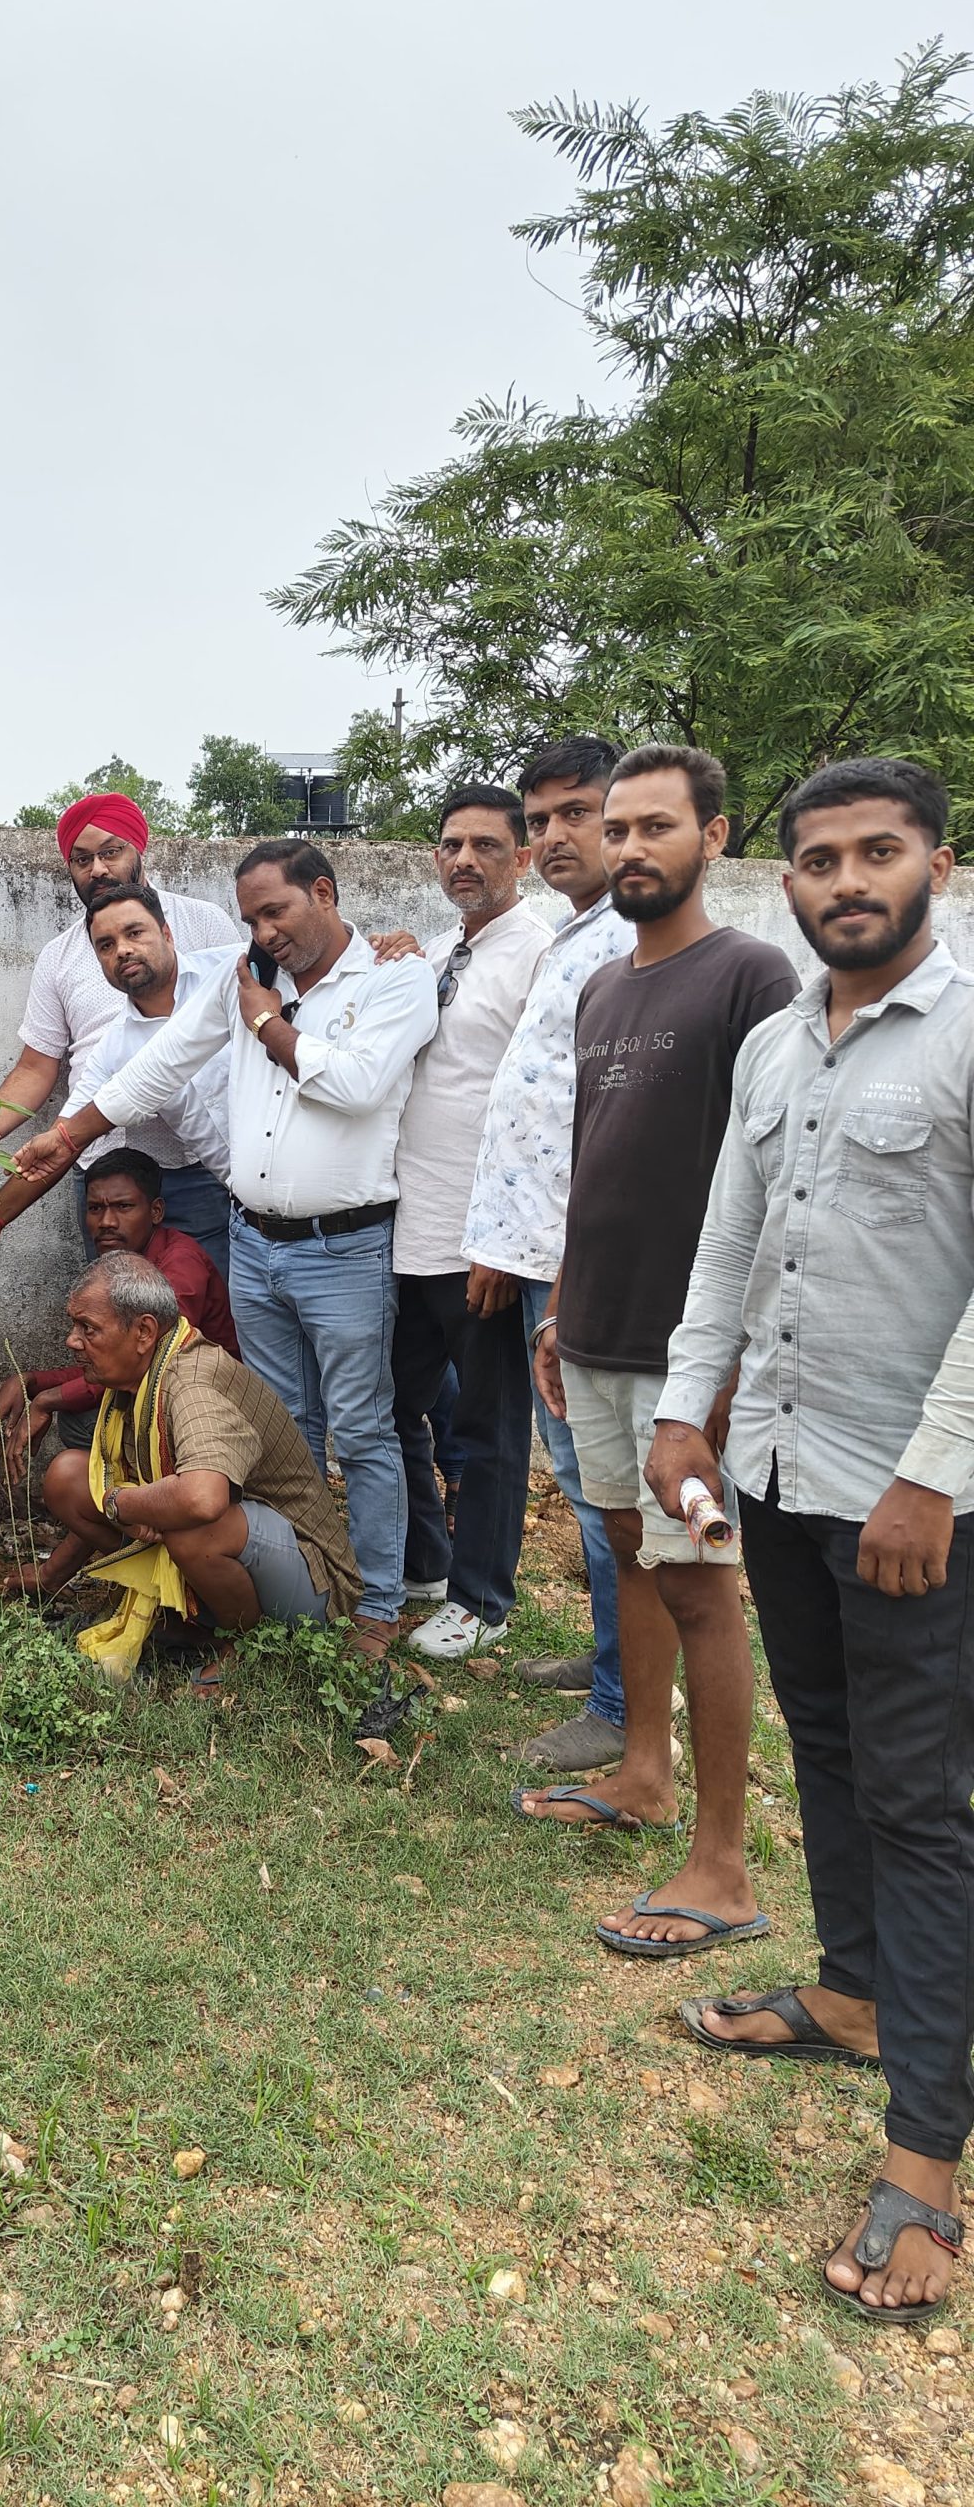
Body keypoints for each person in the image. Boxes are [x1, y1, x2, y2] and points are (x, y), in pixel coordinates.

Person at [648, 756, 971, 2325]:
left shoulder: (967, 1030)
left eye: (878, 852)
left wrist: (934, 1476)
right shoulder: (777, 1043)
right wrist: (683, 1409)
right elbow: (730, 1236)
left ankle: (927, 2162)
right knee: (827, 1745)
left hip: (914, 1497)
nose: (848, 881)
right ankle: (850, 1996)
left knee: (919, 1803)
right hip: (778, 1466)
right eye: (822, 858)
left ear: (936, 864)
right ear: (785, 877)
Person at [14, 841, 437, 1658]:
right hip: (254, 1240)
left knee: (362, 1428)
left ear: (324, 893)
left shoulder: (393, 978)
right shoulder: (246, 975)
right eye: (250, 919)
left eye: (276, 911)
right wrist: (67, 1135)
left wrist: (265, 1022)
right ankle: (297, 1590)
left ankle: (377, 1606)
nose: (263, 932)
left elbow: (357, 1086)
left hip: (344, 1247)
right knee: (281, 1427)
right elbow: (160, 1063)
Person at [523, 745, 798, 1964]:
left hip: (690, 1346)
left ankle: (723, 1861)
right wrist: (560, 1308)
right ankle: (642, 1771)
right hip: (595, 1325)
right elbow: (596, 1163)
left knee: (700, 1578)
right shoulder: (601, 989)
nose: (630, 848)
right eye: (617, 828)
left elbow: (775, 1179)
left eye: (656, 827)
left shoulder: (751, 975)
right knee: (629, 1549)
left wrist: (730, 1356)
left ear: (714, 837)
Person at [460, 736, 634, 1772]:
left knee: (604, 1478)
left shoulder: (631, 941)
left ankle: (622, 1704)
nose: (557, 835)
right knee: (579, 1473)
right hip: (540, 1253)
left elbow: (607, 1127)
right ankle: (614, 1658)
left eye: (579, 813)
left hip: (586, 1263)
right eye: (543, 820)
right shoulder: (580, 933)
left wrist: (563, 1275)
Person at [379, 786, 551, 1662]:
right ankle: (426, 1564)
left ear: (522, 858)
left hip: (481, 1241)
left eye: (486, 845)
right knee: (387, 1406)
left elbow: (545, 1108)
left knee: (487, 1427)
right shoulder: (443, 948)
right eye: (451, 845)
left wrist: (508, 1240)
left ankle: (482, 1602)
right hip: (409, 1229)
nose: (465, 860)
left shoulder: (541, 954)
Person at [19, 1253, 360, 1672]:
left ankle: (243, 1647)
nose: (73, 1341)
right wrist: (60, 1566)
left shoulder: (192, 1383)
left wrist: (120, 1505)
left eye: (87, 1328)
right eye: (75, 1326)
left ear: (144, 1332)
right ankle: (190, 1618)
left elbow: (202, 1499)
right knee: (69, 1477)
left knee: (192, 1528)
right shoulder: (142, 1375)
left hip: (317, 1584)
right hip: (248, 1548)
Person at [0, 793, 238, 1252]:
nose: (97, 869)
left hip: (201, 1167)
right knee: (112, 1294)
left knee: (211, 1291)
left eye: (110, 852)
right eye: (82, 860)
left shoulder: (204, 922)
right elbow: (37, 1066)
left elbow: (251, 1011)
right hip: (101, 1165)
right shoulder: (59, 957)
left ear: (139, 850)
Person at [0, 882, 236, 1283]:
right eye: (106, 945)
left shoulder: (232, 973)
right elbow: (62, 1142)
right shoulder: (116, 1049)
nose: (123, 950)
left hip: (248, 1184)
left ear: (167, 934)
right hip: (242, 1197)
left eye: (135, 933)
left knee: (216, 1302)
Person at [0, 1148, 237, 1487]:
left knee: (81, 1421)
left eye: (123, 1207)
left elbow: (145, 1364)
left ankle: (158, 1499)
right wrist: (34, 1381)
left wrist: (47, 1399)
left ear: (156, 1211)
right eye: (95, 1208)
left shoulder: (179, 1265)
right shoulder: (123, 1268)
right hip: (164, 1396)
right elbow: (114, 1360)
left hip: (207, 1411)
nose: (106, 1222)